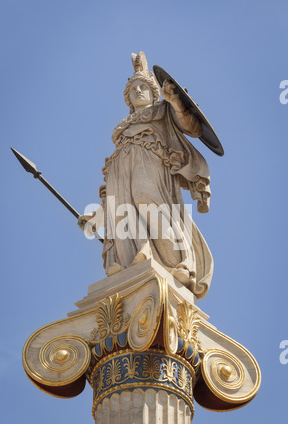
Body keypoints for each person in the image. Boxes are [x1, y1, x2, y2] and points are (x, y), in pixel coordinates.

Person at [79, 52, 213, 300]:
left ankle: (179, 263)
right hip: (121, 168)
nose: (139, 91)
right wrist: (98, 214)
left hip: (150, 162)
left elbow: (192, 128)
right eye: (134, 89)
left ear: (154, 93)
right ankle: (132, 257)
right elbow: (108, 186)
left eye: (144, 87)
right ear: (128, 99)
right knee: (121, 209)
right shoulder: (122, 130)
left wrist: (175, 102)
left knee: (146, 201)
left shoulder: (163, 111)